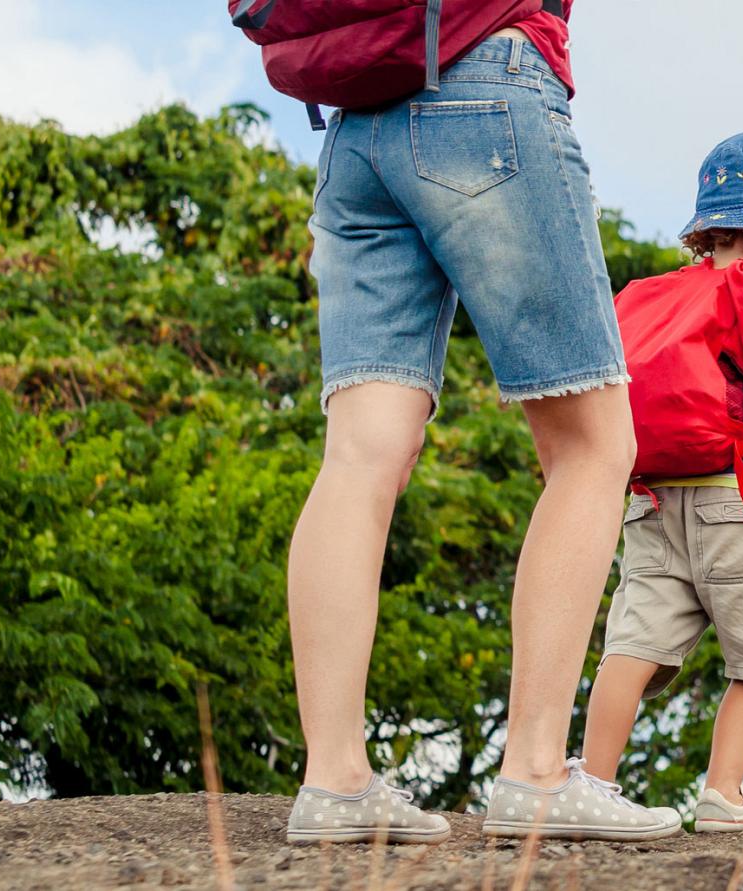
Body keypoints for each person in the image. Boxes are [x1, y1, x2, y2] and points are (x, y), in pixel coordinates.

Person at [280, 13, 686, 843]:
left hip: (356, 128)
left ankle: (333, 779)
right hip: (485, 85)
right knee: (592, 445)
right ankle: (536, 770)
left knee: (359, 453)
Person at [576, 131, 743, 834]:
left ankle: (591, 781)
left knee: (632, 647)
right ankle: (724, 792)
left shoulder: (659, 295)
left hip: (655, 499)